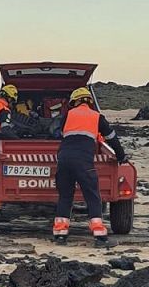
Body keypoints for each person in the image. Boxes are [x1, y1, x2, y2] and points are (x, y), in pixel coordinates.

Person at [50, 87, 125, 242]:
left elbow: (58, 133)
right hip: (83, 160)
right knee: (92, 194)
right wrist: (120, 155)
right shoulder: (97, 117)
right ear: (89, 101)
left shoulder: (67, 115)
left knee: (65, 195)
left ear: (75, 102)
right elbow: (112, 138)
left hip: (64, 159)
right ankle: (98, 232)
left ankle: (60, 232)